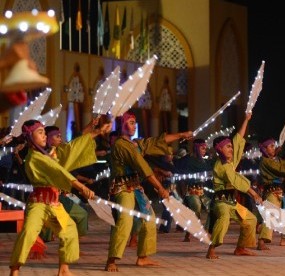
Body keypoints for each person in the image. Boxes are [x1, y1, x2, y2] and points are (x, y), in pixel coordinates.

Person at [105, 110, 192, 272]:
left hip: (136, 187)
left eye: (134, 122)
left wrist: (182, 134)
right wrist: (160, 188)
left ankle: (143, 257)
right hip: (122, 188)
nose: (134, 125)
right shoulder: (120, 145)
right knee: (125, 220)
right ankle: (112, 259)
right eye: (131, 122)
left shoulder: (136, 144)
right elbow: (143, 167)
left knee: (150, 218)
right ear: (122, 125)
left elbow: (157, 141)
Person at [9, 120, 95, 276]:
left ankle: (64, 269)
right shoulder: (35, 157)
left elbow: (70, 150)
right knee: (28, 233)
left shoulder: (47, 153)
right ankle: (14, 269)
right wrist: (82, 187)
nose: (44, 135)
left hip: (55, 204)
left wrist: (95, 132)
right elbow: (58, 171)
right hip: (39, 203)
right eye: (40, 132)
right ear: (29, 136)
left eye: (44, 132)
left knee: (69, 231)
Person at [206, 112, 262, 259]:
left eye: (231, 147)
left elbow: (238, 139)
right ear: (220, 149)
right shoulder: (222, 165)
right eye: (227, 147)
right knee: (224, 219)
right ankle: (211, 248)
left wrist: (246, 119)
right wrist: (253, 193)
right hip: (221, 203)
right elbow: (235, 179)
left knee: (250, 219)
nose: (231, 149)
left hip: (232, 202)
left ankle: (240, 248)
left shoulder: (231, 161)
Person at [181, 138, 214, 241]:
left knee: (213, 209)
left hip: (203, 190)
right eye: (202, 148)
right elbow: (182, 176)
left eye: (205, 148)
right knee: (196, 212)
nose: (205, 150)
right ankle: (188, 234)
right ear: (196, 148)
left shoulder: (205, 161)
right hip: (191, 191)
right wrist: (183, 192)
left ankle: (206, 231)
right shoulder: (187, 160)